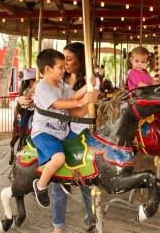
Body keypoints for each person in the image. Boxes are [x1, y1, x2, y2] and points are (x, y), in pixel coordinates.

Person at [31, 49, 96, 211]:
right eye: (60, 67)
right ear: (47, 69)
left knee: (76, 154)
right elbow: (58, 104)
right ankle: (40, 185)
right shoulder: (42, 87)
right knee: (59, 158)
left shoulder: (60, 84)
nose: (64, 70)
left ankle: (63, 179)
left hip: (61, 132)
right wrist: (82, 103)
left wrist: (89, 86)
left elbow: (73, 96)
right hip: (44, 132)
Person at [50, 42, 98, 232]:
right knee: (57, 181)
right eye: (64, 59)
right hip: (60, 131)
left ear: (81, 60)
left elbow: (82, 111)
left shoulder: (92, 83)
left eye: (69, 59)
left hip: (81, 133)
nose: (65, 63)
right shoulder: (60, 81)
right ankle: (57, 225)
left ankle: (93, 218)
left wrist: (58, 108)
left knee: (86, 180)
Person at [13, 68, 37, 148]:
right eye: (34, 81)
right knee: (25, 121)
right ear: (30, 81)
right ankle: (21, 138)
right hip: (27, 110)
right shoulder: (26, 90)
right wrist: (33, 89)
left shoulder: (38, 89)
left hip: (35, 110)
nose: (35, 83)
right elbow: (26, 99)